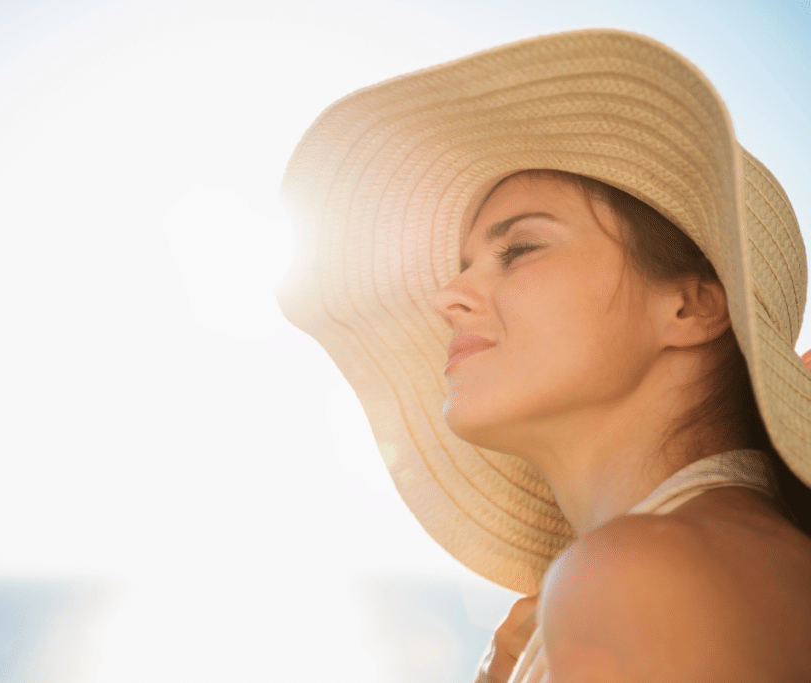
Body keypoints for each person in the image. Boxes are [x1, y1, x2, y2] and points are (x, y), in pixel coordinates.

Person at [276, 29, 811, 682]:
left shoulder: (641, 577)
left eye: (521, 249)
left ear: (692, 305)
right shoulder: (724, 558)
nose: (450, 295)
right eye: (465, 264)